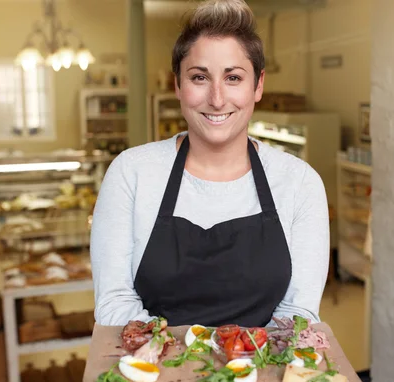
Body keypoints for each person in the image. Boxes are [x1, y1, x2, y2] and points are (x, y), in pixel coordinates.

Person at [90, 0, 329, 328]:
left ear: (258, 85)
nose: (217, 99)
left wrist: (239, 369)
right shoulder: (131, 173)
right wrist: (182, 363)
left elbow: (297, 312)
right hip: (153, 373)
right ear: (178, 85)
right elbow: (115, 300)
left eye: (233, 78)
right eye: (199, 77)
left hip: (263, 372)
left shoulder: (299, 183)